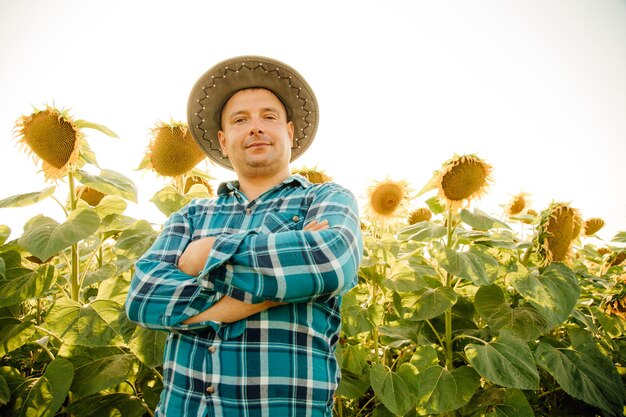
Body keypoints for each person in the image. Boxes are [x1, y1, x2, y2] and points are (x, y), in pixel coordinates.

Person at [125, 55, 363, 417]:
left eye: (268, 117)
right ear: (223, 140)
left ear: (290, 132)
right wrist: (277, 291)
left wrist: (203, 256)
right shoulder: (190, 215)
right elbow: (144, 298)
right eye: (240, 120)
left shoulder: (325, 198)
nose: (255, 128)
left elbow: (329, 262)